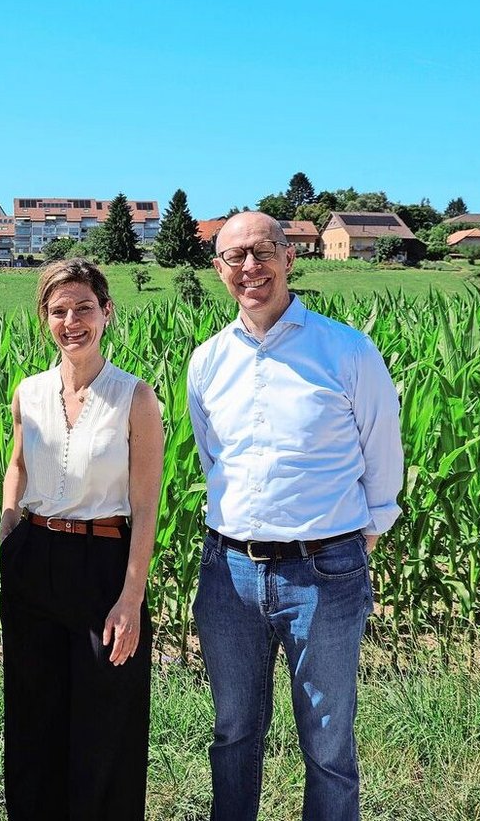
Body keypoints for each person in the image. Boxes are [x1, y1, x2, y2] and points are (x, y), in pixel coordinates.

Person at [188, 211, 403, 821]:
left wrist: (366, 534)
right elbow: (214, 459)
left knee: (328, 741)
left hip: (324, 569)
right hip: (229, 570)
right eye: (235, 257)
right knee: (232, 732)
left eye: (262, 251)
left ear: (288, 257)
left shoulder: (345, 349)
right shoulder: (207, 362)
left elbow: (381, 453)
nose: (250, 267)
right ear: (219, 268)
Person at [0, 258, 163, 820]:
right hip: (35, 557)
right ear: (45, 318)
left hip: (104, 564)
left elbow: (145, 506)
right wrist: (9, 527)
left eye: (84, 308)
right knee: (32, 716)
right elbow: (16, 465)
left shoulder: (136, 398)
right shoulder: (29, 393)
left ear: (107, 313)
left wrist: (131, 598)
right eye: (59, 310)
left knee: (105, 725)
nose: (72, 321)